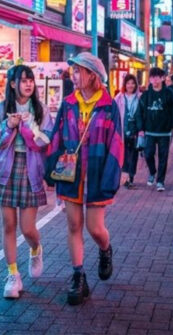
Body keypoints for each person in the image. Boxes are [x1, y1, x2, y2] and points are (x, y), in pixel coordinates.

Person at [46, 52, 123, 306]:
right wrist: (51, 166)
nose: (74, 75)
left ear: (92, 75)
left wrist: (112, 177)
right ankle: (78, 276)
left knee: (95, 228)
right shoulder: (68, 103)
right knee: (73, 224)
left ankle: (105, 249)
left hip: (98, 173)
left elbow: (116, 142)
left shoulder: (109, 105)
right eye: (74, 71)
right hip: (71, 175)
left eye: (78, 71)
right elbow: (57, 134)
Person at [0, 65, 52, 299]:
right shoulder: (1, 109)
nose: (28, 84)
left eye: (30, 80)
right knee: (9, 225)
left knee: (28, 227)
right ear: (13, 84)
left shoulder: (41, 110)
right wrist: (8, 126)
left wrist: (30, 127)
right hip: (6, 170)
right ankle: (13, 275)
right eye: (23, 80)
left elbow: (46, 141)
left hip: (30, 170)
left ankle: (35, 249)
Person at [136, 67, 173, 192]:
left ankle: (160, 181)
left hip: (165, 131)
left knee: (163, 156)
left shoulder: (169, 94)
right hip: (149, 130)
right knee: (148, 154)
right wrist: (141, 128)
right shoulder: (146, 95)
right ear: (149, 79)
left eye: (157, 77)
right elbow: (139, 112)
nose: (154, 80)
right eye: (152, 77)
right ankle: (152, 172)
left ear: (162, 78)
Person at [114, 74, 141, 188]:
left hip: (135, 131)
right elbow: (114, 113)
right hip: (122, 130)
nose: (130, 85)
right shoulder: (119, 97)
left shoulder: (140, 97)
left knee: (134, 155)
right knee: (123, 155)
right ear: (125, 84)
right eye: (128, 83)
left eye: (132, 83)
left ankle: (131, 177)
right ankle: (125, 179)